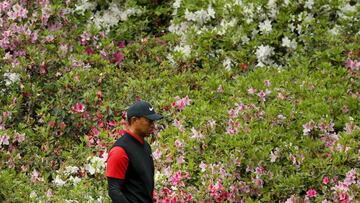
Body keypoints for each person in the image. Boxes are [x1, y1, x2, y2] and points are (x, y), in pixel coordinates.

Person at [106, 100, 163, 203]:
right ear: (134, 120)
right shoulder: (120, 151)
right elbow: (114, 190)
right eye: (149, 121)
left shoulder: (146, 146)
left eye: (153, 121)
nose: (153, 125)